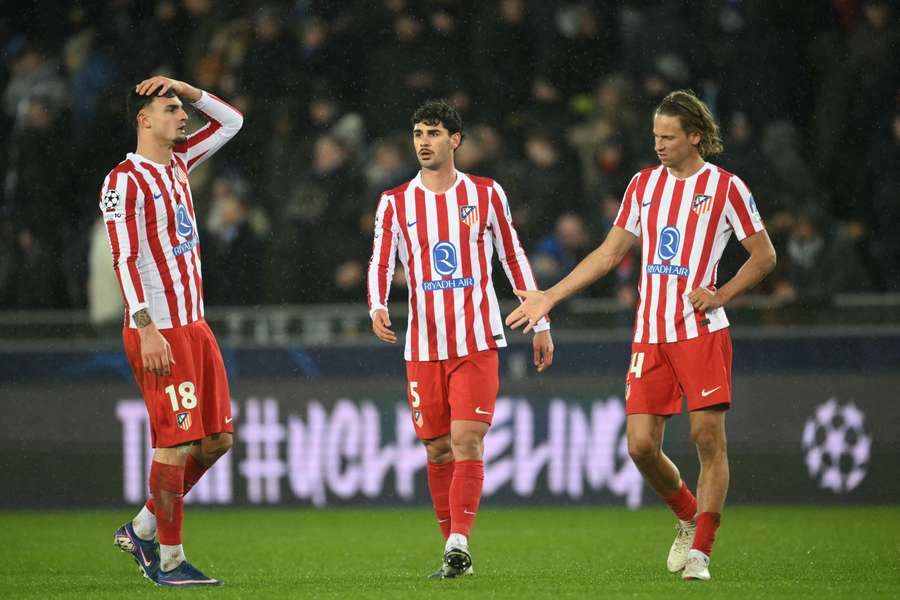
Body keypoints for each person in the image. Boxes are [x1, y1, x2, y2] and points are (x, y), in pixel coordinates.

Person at [506, 90, 776, 582]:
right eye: (655, 136)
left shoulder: (726, 188)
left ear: (694, 137)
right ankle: (687, 516)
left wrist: (721, 294)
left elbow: (764, 255)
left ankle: (702, 554)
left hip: (700, 331)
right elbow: (608, 255)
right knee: (640, 447)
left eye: (668, 137)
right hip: (650, 333)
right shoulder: (642, 185)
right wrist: (550, 296)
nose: (659, 145)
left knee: (705, 438)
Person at [366, 99, 554, 579]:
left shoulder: (487, 194)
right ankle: (454, 553)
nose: (423, 141)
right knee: (436, 449)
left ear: (455, 140)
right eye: (417, 133)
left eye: (432, 132)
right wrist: (378, 304)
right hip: (424, 346)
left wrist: (541, 321)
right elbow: (380, 261)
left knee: (466, 439)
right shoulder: (395, 201)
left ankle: (458, 541)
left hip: (477, 340)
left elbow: (513, 257)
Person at [99, 75, 243, 586]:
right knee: (174, 443)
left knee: (218, 440)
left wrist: (186, 86)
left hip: (195, 324)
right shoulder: (124, 181)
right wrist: (146, 326)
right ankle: (170, 559)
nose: (183, 116)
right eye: (170, 108)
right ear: (144, 119)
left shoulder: (181, 164)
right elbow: (125, 255)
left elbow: (233, 121)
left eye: (182, 108)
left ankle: (142, 526)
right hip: (157, 328)